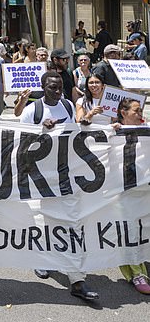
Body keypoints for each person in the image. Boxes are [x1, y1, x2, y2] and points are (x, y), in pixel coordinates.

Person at [20, 71, 99, 301]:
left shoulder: (66, 105)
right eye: (53, 88)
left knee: (72, 222)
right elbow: (20, 144)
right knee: (45, 222)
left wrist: (82, 124)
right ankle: (43, 261)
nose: (58, 91)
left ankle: (77, 280)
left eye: (60, 87)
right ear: (43, 88)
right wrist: (40, 131)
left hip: (66, 175)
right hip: (42, 178)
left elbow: (73, 135)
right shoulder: (31, 111)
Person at [111, 98, 150, 294]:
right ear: (123, 113)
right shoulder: (113, 132)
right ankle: (136, 273)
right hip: (123, 190)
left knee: (144, 229)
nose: (140, 114)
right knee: (130, 231)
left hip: (144, 190)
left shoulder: (147, 130)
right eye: (136, 111)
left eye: (141, 110)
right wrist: (111, 132)